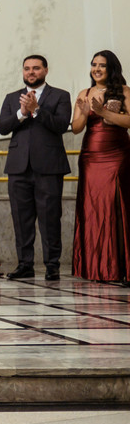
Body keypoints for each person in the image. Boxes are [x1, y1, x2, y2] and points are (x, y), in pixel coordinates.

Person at [0, 54, 71, 281]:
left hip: (48, 166)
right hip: (18, 167)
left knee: (50, 217)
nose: (31, 72)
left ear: (46, 70)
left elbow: (60, 125)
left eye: (36, 68)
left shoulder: (60, 95)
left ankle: (52, 265)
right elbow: (1, 127)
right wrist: (22, 113)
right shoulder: (12, 98)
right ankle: (25, 264)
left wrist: (37, 109)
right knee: (21, 218)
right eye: (27, 68)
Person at [69, 50, 130, 284]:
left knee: (116, 207)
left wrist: (105, 113)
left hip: (117, 155)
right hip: (90, 157)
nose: (97, 69)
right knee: (93, 208)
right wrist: (85, 114)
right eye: (94, 65)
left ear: (111, 68)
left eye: (102, 65)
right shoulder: (85, 93)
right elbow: (76, 128)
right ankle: (96, 268)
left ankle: (119, 266)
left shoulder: (124, 92)